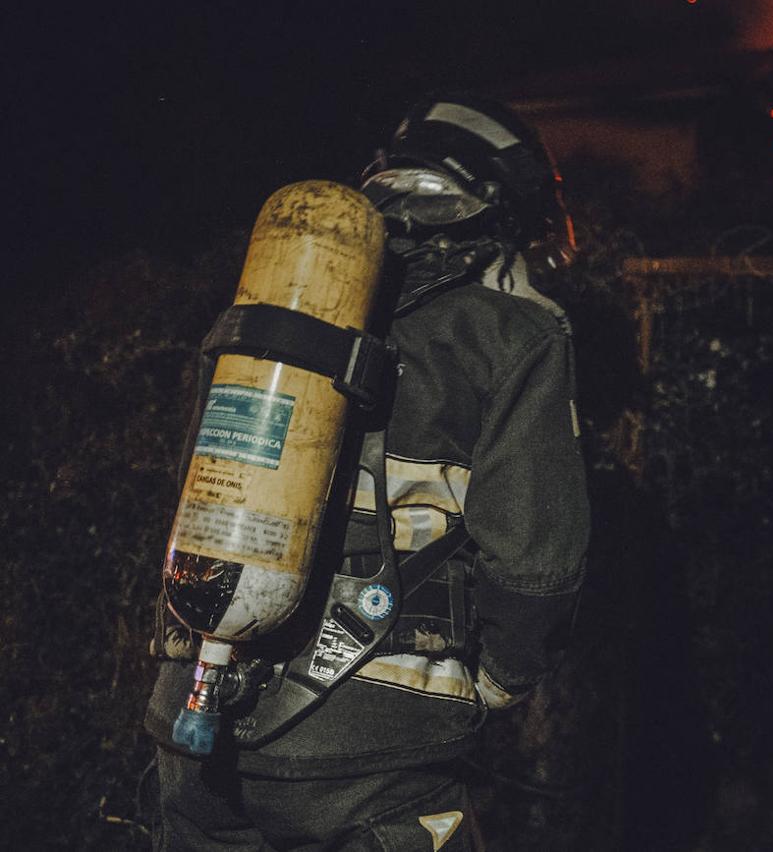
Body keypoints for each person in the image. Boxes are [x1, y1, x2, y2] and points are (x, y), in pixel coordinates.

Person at [144, 94, 591, 850]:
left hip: (191, 717)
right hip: (369, 750)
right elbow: (536, 559)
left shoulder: (279, 302)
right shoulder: (514, 331)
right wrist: (498, 681)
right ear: (503, 206)